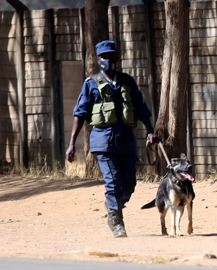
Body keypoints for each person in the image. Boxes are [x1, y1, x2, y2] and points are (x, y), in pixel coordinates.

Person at [66, 40, 158, 238]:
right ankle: (116, 221)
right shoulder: (91, 84)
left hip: (126, 141)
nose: (108, 60)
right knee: (113, 182)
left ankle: (112, 204)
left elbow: (141, 108)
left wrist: (150, 131)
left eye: (111, 56)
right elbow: (80, 114)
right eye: (104, 57)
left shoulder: (127, 81)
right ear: (99, 59)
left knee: (129, 185)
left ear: (117, 57)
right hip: (103, 142)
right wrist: (72, 144)